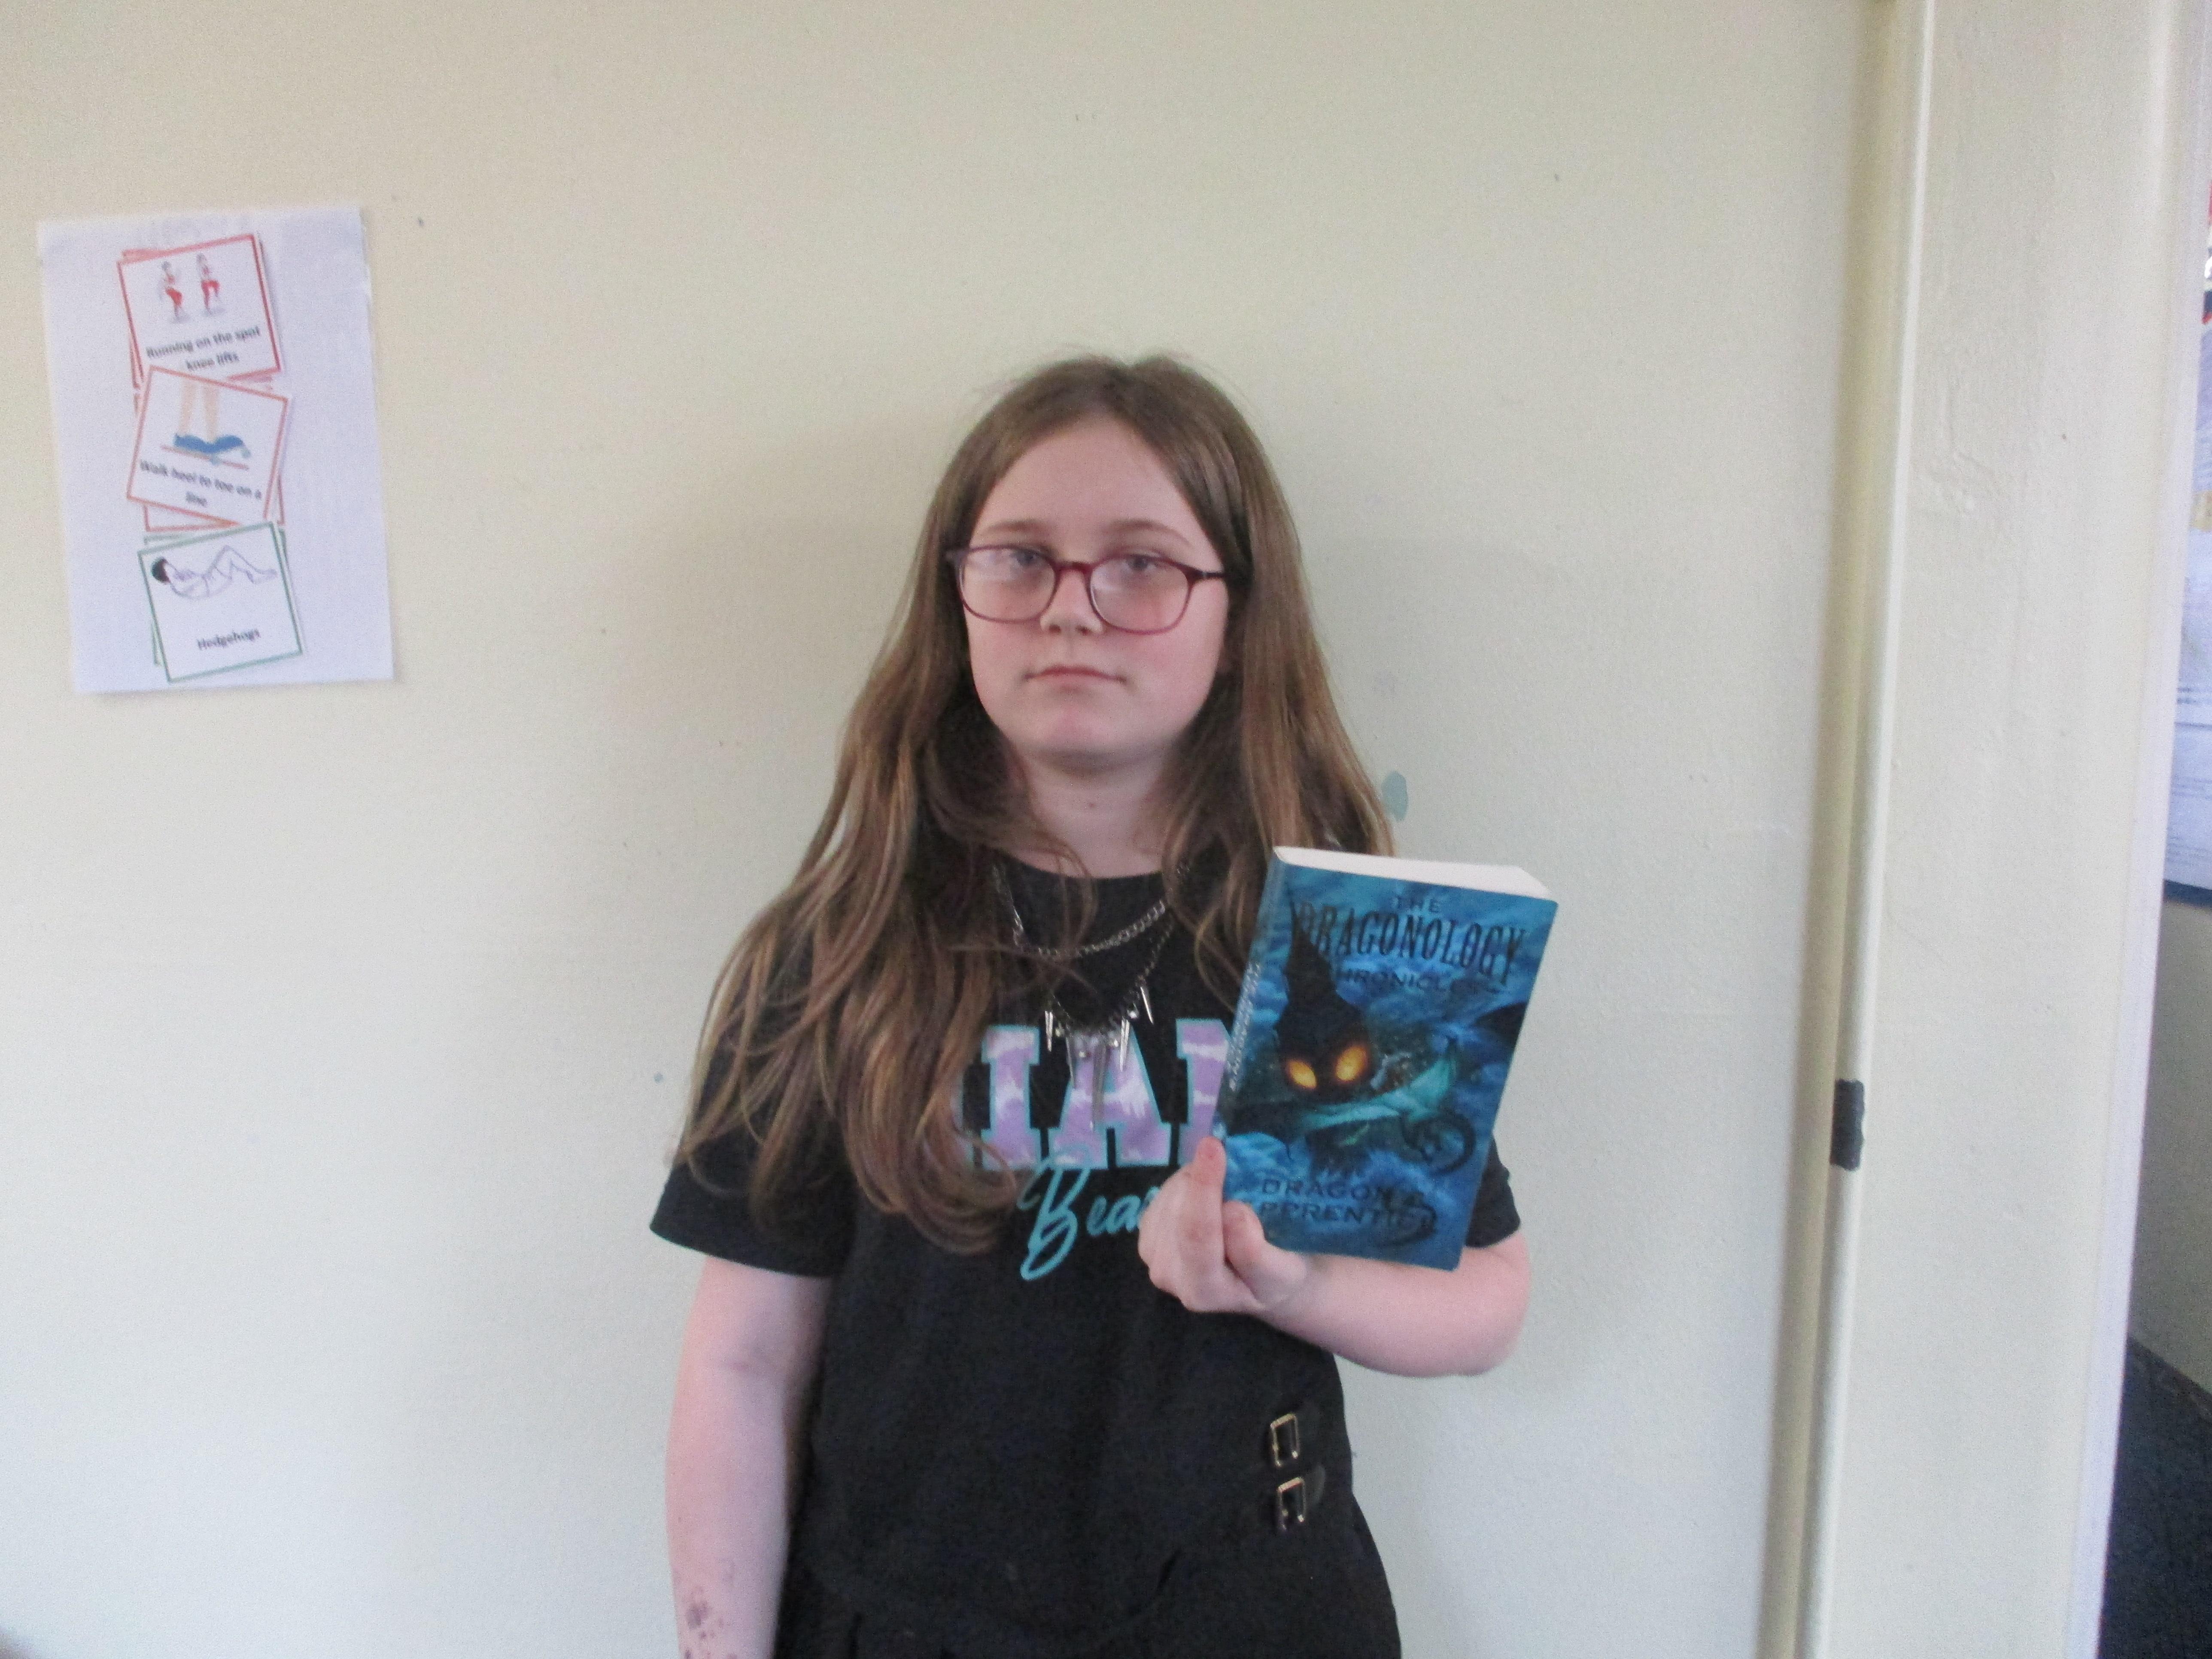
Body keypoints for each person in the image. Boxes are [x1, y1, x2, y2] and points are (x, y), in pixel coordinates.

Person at [653, 356, 1531, 1659]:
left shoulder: (1338, 946)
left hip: (1254, 1617)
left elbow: (1486, 1302)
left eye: (1141, 565)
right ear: (956, 594)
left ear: (1238, 611)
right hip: (902, 1618)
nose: (1071, 609)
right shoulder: (840, 947)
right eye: (1020, 559)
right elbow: (744, 1364)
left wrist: (1292, 1284)